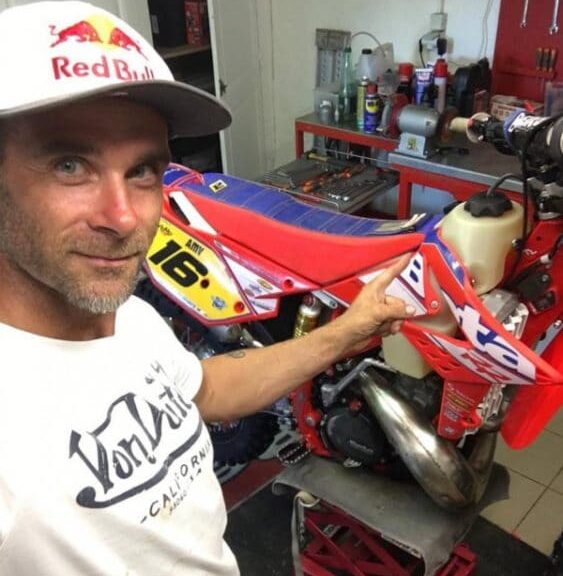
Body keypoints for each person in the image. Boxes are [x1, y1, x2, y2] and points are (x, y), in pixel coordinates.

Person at [0, 2, 415, 574]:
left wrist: (348, 330)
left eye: (143, 170)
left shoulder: (131, 322)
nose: (122, 217)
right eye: (70, 165)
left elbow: (209, 389)